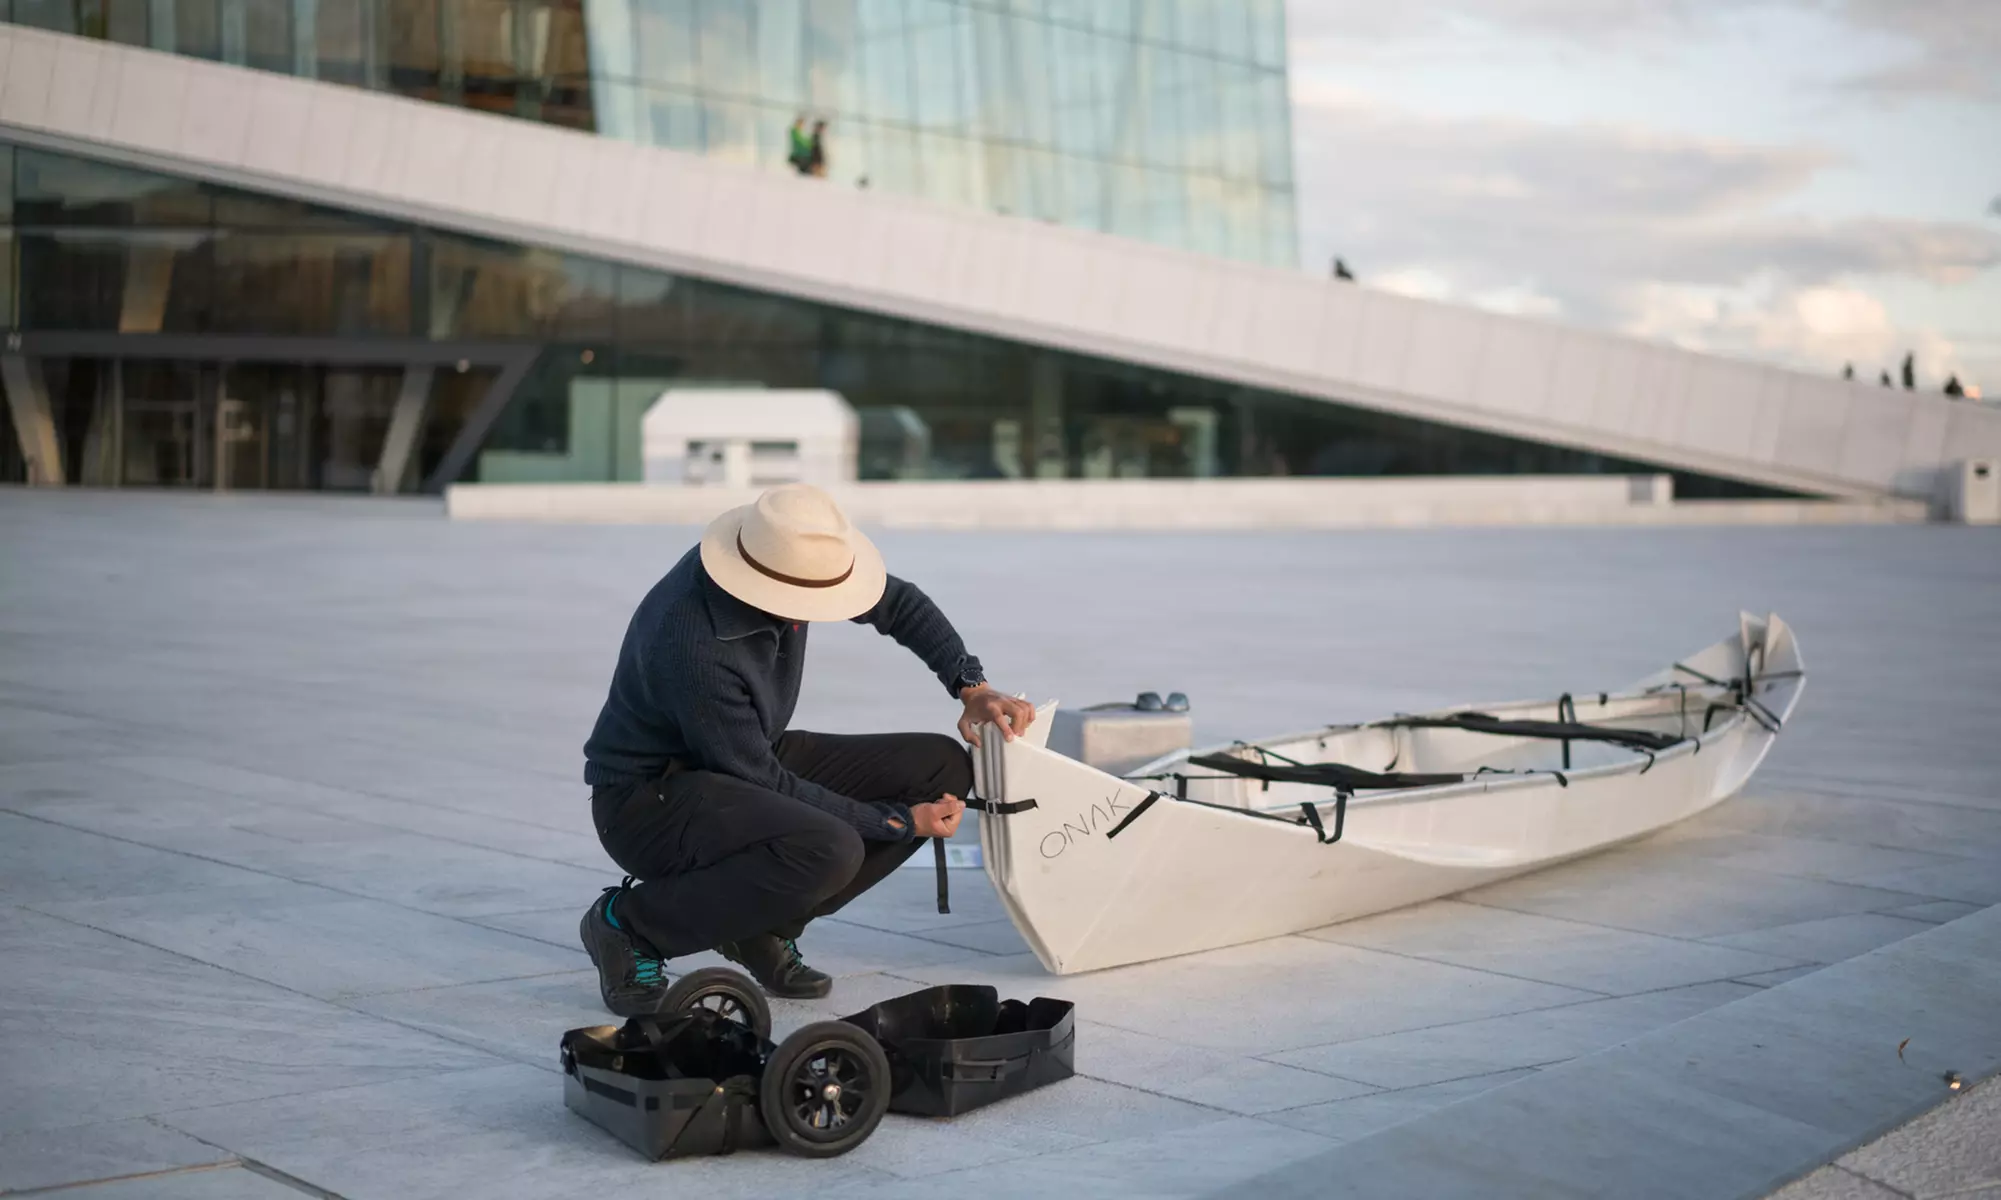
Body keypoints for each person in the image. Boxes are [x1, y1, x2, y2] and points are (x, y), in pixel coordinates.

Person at [578, 484, 1034, 1012]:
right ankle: (629, 924)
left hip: (737, 760)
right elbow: (763, 781)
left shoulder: (772, 559)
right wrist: (899, 823)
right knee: (830, 848)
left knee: (940, 766)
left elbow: (900, 604)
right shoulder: (693, 646)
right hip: (649, 801)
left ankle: (759, 927)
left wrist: (971, 687)